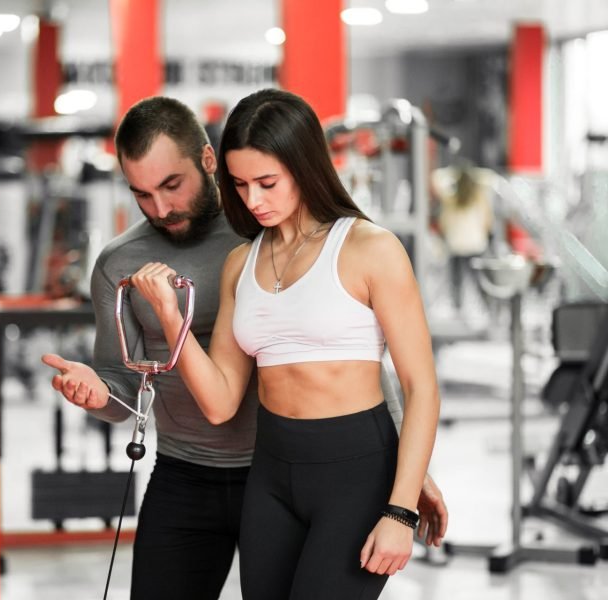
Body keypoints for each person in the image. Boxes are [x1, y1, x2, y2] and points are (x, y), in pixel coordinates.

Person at [42, 96, 446, 600]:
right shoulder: (236, 260)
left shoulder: (356, 246)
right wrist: (162, 327)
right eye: (240, 185)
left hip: (339, 468)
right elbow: (214, 399)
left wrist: (403, 497)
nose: (253, 200)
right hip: (248, 475)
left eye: (267, 183)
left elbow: (399, 375)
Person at [434, 165, 495, 314]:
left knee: (456, 283)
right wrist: (472, 174)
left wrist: (456, 173)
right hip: (476, 245)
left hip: (456, 246)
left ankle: (458, 311)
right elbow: (488, 222)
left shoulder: (450, 200)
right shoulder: (480, 198)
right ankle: (488, 311)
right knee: (481, 282)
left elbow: (436, 177)